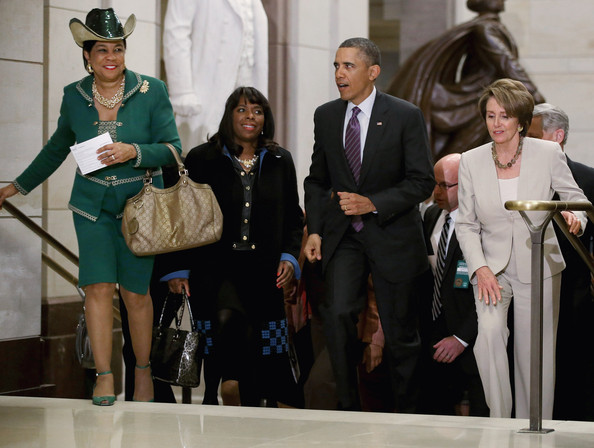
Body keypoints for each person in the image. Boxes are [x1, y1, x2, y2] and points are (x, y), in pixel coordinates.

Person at [0, 8, 182, 406]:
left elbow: (173, 150)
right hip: (91, 210)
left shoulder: (152, 91)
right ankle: (103, 375)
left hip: (139, 210)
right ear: (87, 55)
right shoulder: (74, 95)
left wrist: (135, 150)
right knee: (97, 289)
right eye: (102, 50)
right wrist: (16, 186)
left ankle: (142, 371)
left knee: (135, 295)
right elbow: (55, 150)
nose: (111, 56)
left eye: (117, 48)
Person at [303, 37, 435, 412]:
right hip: (345, 236)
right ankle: (346, 409)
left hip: (392, 234)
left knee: (401, 335)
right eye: (336, 66)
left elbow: (421, 181)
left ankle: (409, 416)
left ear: (372, 72)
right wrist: (314, 229)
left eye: (348, 66)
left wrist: (373, 203)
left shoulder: (405, 114)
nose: (339, 74)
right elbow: (317, 180)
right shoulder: (326, 116)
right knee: (340, 313)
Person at [455, 78, 588, 419]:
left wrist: (575, 217)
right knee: (489, 335)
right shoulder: (470, 161)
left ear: (521, 120)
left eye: (504, 116)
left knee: (535, 353)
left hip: (540, 262)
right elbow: (466, 223)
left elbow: (577, 200)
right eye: (490, 116)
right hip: (491, 269)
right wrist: (479, 268)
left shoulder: (547, 153)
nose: (496, 124)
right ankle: (500, 420)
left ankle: (534, 425)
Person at [164, 87, 304, 407]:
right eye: (241, 110)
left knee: (257, 340)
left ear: (265, 119)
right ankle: (221, 392)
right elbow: (182, 215)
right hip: (213, 268)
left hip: (264, 270)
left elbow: (293, 216)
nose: (249, 117)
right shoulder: (202, 158)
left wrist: (289, 257)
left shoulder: (281, 160)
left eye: (257, 111)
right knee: (225, 324)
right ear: (229, 115)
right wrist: (177, 267)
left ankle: (248, 403)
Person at [388, 0, 545, 160]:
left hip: (489, 100)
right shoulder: (485, 28)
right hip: (476, 102)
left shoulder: (489, 26)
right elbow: (507, 63)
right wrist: (534, 94)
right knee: (462, 155)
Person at [527, 103, 594, 421]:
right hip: (524, 285)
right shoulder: (518, 178)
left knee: (573, 363)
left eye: (533, 136)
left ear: (558, 137)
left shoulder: (587, 178)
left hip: (575, 293)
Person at [418, 154, 488, 417]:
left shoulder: (483, 222)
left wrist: (461, 337)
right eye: (434, 184)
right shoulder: (431, 215)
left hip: (471, 335)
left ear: (467, 183)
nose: (436, 192)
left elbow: (492, 289)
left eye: (445, 185)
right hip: (434, 332)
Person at [163, 0, 268, 150]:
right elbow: (176, 32)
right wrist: (182, 91)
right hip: (206, 92)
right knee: (201, 156)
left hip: (245, 93)